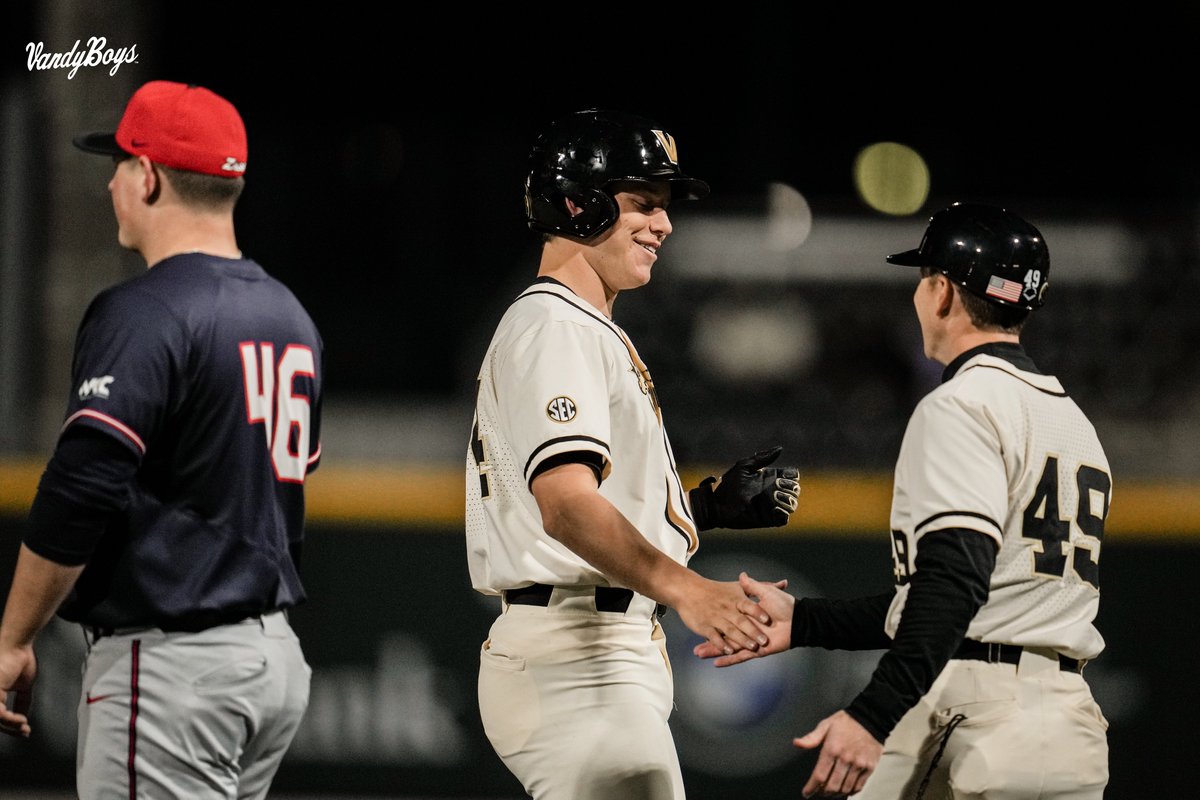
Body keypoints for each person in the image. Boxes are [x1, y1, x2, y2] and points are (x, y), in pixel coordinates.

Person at [696, 202, 1112, 799]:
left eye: (923, 280)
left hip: (977, 712)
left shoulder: (962, 404)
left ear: (942, 292)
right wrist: (809, 621)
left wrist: (872, 714)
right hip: (1065, 719)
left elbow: (954, 585)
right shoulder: (1075, 424)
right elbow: (986, 597)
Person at [0, 80, 323, 800]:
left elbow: (83, 483)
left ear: (147, 178)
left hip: (178, 663)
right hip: (269, 658)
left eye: (119, 164)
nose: (112, 181)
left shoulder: (145, 310)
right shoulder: (288, 314)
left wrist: (13, 637)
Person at [465, 108, 801, 800]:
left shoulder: (575, 325)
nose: (664, 223)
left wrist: (700, 508)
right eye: (643, 202)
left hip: (591, 650)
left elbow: (576, 503)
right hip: (577, 657)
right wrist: (688, 589)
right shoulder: (555, 324)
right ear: (577, 204)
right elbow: (564, 507)